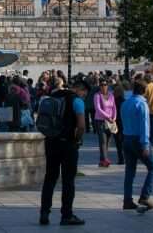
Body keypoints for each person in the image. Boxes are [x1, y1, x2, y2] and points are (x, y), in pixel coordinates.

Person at [39, 77, 88, 226]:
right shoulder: (77, 101)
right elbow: (81, 125)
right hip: (68, 144)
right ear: (81, 90)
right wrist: (78, 139)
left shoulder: (54, 96)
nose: (84, 96)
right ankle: (66, 215)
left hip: (51, 141)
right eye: (85, 93)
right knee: (68, 180)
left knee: (50, 178)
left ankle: (44, 213)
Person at [121, 79, 153, 211]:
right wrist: (145, 145)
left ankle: (127, 201)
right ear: (145, 91)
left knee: (130, 171)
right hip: (138, 139)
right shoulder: (142, 104)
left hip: (126, 138)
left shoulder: (125, 103)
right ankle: (145, 196)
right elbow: (145, 126)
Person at [94, 78, 117, 167]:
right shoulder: (97, 95)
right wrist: (107, 117)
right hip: (100, 120)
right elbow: (98, 109)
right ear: (99, 86)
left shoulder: (111, 95)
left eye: (105, 85)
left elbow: (114, 107)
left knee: (108, 141)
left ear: (108, 86)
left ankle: (102, 160)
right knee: (103, 140)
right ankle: (105, 159)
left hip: (111, 121)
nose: (103, 86)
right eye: (102, 85)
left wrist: (114, 118)